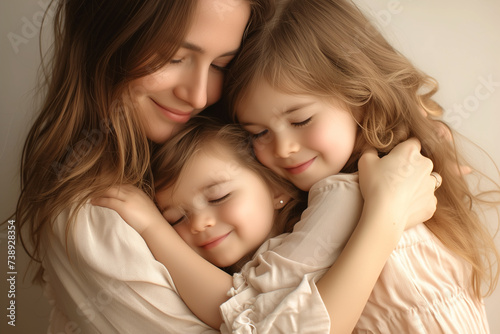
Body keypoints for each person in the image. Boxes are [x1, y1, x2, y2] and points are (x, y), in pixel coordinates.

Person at [11, 0, 438, 333]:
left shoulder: (238, 134)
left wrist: (425, 138)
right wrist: (387, 215)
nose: (199, 95)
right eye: (175, 57)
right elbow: (250, 316)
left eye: (221, 65)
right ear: (107, 40)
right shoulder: (98, 215)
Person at [220, 0, 500, 332]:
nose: (284, 148)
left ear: (362, 97)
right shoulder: (405, 170)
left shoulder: (344, 193)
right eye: (259, 133)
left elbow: (250, 312)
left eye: (301, 119)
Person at [93, 116, 438, 333]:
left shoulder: (342, 200)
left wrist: (154, 228)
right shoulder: (257, 261)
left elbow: (243, 313)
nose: (199, 224)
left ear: (276, 188)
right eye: (176, 219)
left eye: (217, 197)